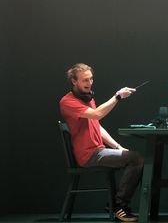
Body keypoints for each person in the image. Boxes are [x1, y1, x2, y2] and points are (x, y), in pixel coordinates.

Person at [59, 63, 143, 222]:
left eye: (91, 79)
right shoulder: (67, 102)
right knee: (136, 159)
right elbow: (97, 115)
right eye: (85, 80)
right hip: (89, 155)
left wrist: (118, 147)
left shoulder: (87, 98)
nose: (89, 83)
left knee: (135, 158)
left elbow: (97, 126)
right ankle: (119, 206)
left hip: (99, 151)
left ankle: (117, 204)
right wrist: (117, 96)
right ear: (74, 81)